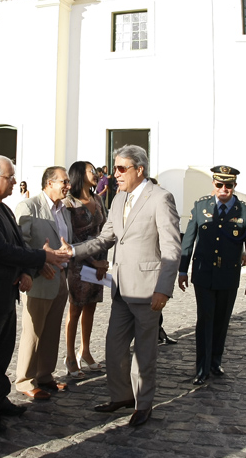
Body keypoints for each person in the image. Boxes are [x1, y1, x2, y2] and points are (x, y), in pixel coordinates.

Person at [68, 145, 181, 428]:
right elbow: (105, 238)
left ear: (139, 169)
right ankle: (122, 396)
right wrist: (72, 251)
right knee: (114, 347)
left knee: (144, 353)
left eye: (121, 168)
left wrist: (163, 289)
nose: (114, 174)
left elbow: (171, 248)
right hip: (121, 288)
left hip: (147, 290)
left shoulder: (160, 198)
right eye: (115, 168)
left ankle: (143, 404)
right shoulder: (118, 198)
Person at [0, 156, 69, 433]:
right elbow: (2, 251)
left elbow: (18, 244)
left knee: (2, 352)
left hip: (6, 292)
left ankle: (0, 398)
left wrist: (24, 271)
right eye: (9, 177)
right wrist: (42, 257)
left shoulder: (2, 208)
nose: (14, 182)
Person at [178, 166, 246, 385]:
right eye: (219, 185)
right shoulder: (201, 206)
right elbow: (189, 240)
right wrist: (183, 270)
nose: (224, 189)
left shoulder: (245, 213)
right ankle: (202, 368)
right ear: (213, 184)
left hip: (228, 275)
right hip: (203, 273)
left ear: (234, 186)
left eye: (228, 185)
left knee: (222, 321)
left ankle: (215, 361)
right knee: (205, 319)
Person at [14, 167, 73, 399]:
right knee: (33, 332)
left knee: (51, 330)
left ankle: (45, 375)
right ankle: (25, 381)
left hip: (60, 278)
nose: (68, 186)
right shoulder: (29, 207)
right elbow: (21, 243)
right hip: (39, 278)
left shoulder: (64, 210)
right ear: (49, 183)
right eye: (64, 181)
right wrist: (38, 263)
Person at [63, 161, 108, 379]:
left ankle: (86, 350)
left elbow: (105, 232)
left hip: (99, 261)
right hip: (78, 262)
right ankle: (70, 356)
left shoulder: (97, 199)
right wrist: (92, 261)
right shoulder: (69, 203)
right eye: (92, 171)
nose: (96, 174)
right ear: (80, 174)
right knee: (75, 309)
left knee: (91, 307)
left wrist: (103, 262)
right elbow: (70, 237)